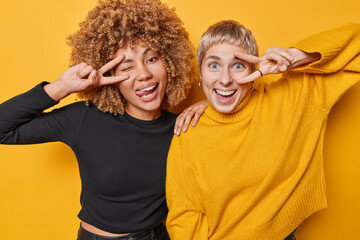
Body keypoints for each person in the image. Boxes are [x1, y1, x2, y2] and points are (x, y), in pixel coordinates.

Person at [0, 0, 206, 239]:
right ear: (109, 75)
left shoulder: (182, 126)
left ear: (171, 62)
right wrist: (60, 88)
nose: (143, 74)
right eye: (126, 67)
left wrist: (210, 106)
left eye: (152, 59)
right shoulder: (85, 119)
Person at [165, 20, 360, 240]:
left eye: (238, 65)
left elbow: (356, 43)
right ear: (200, 71)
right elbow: (184, 214)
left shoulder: (293, 97)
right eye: (213, 65)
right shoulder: (190, 130)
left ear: (255, 70)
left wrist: (292, 57)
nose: (226, 79)